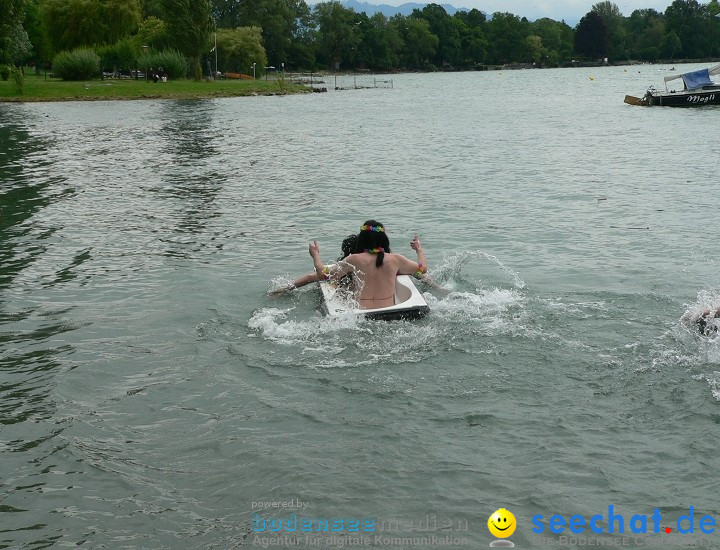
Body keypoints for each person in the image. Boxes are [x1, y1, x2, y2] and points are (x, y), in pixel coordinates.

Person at [309, 220, 427, 310]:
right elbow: (422, 269)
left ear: (362, 239)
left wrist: (315, 255)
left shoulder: (353, 259)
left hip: (361, 313)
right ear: (384, 239)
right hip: (389, 311)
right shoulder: (396, 259)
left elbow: (324, 275)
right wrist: (419, 250)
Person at [269, 234, 358, 296]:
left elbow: (312, 277)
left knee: (330, 281)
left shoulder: (344, 266)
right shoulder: (369, 261)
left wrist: (315, 255)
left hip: (346, 294)